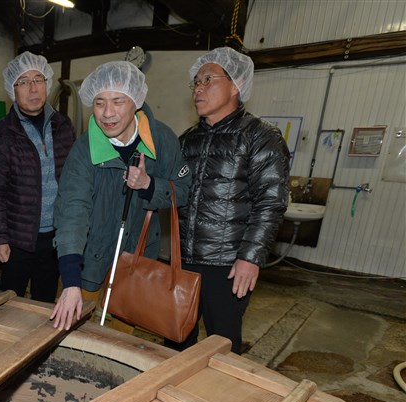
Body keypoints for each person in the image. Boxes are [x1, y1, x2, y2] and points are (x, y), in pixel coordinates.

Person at [51, 61, 191, 330]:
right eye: (100, 102)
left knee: (121, 343)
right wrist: (70, 282)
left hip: (137, 266)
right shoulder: (84, 150)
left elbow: (183, 190)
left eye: (118, 101)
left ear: (136, 101)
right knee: (75, 336)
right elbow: (72, 213)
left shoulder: (161, 140)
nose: (107, 113)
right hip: (87, 266)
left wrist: (150, 185)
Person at [170, 47, 290, 354]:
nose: (198, 87)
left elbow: (271, 202)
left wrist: (250, 257)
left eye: (208, 79)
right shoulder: (186, 140)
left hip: (227, 264)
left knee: (220, 346)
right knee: (176, 337)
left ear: (236, 85)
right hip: (184, 259)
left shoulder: (260, 136)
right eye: (196, 81)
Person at [0, 52, 75, 302]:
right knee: (10, 305)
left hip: (55, 237)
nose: (33, 88)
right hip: (17, 239)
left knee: (45, 304)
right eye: (23, 81)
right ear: (12, 89)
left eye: (38, 79)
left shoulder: (63, 125)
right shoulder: (0, 133)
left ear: (47, 83)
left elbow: (73, 180)